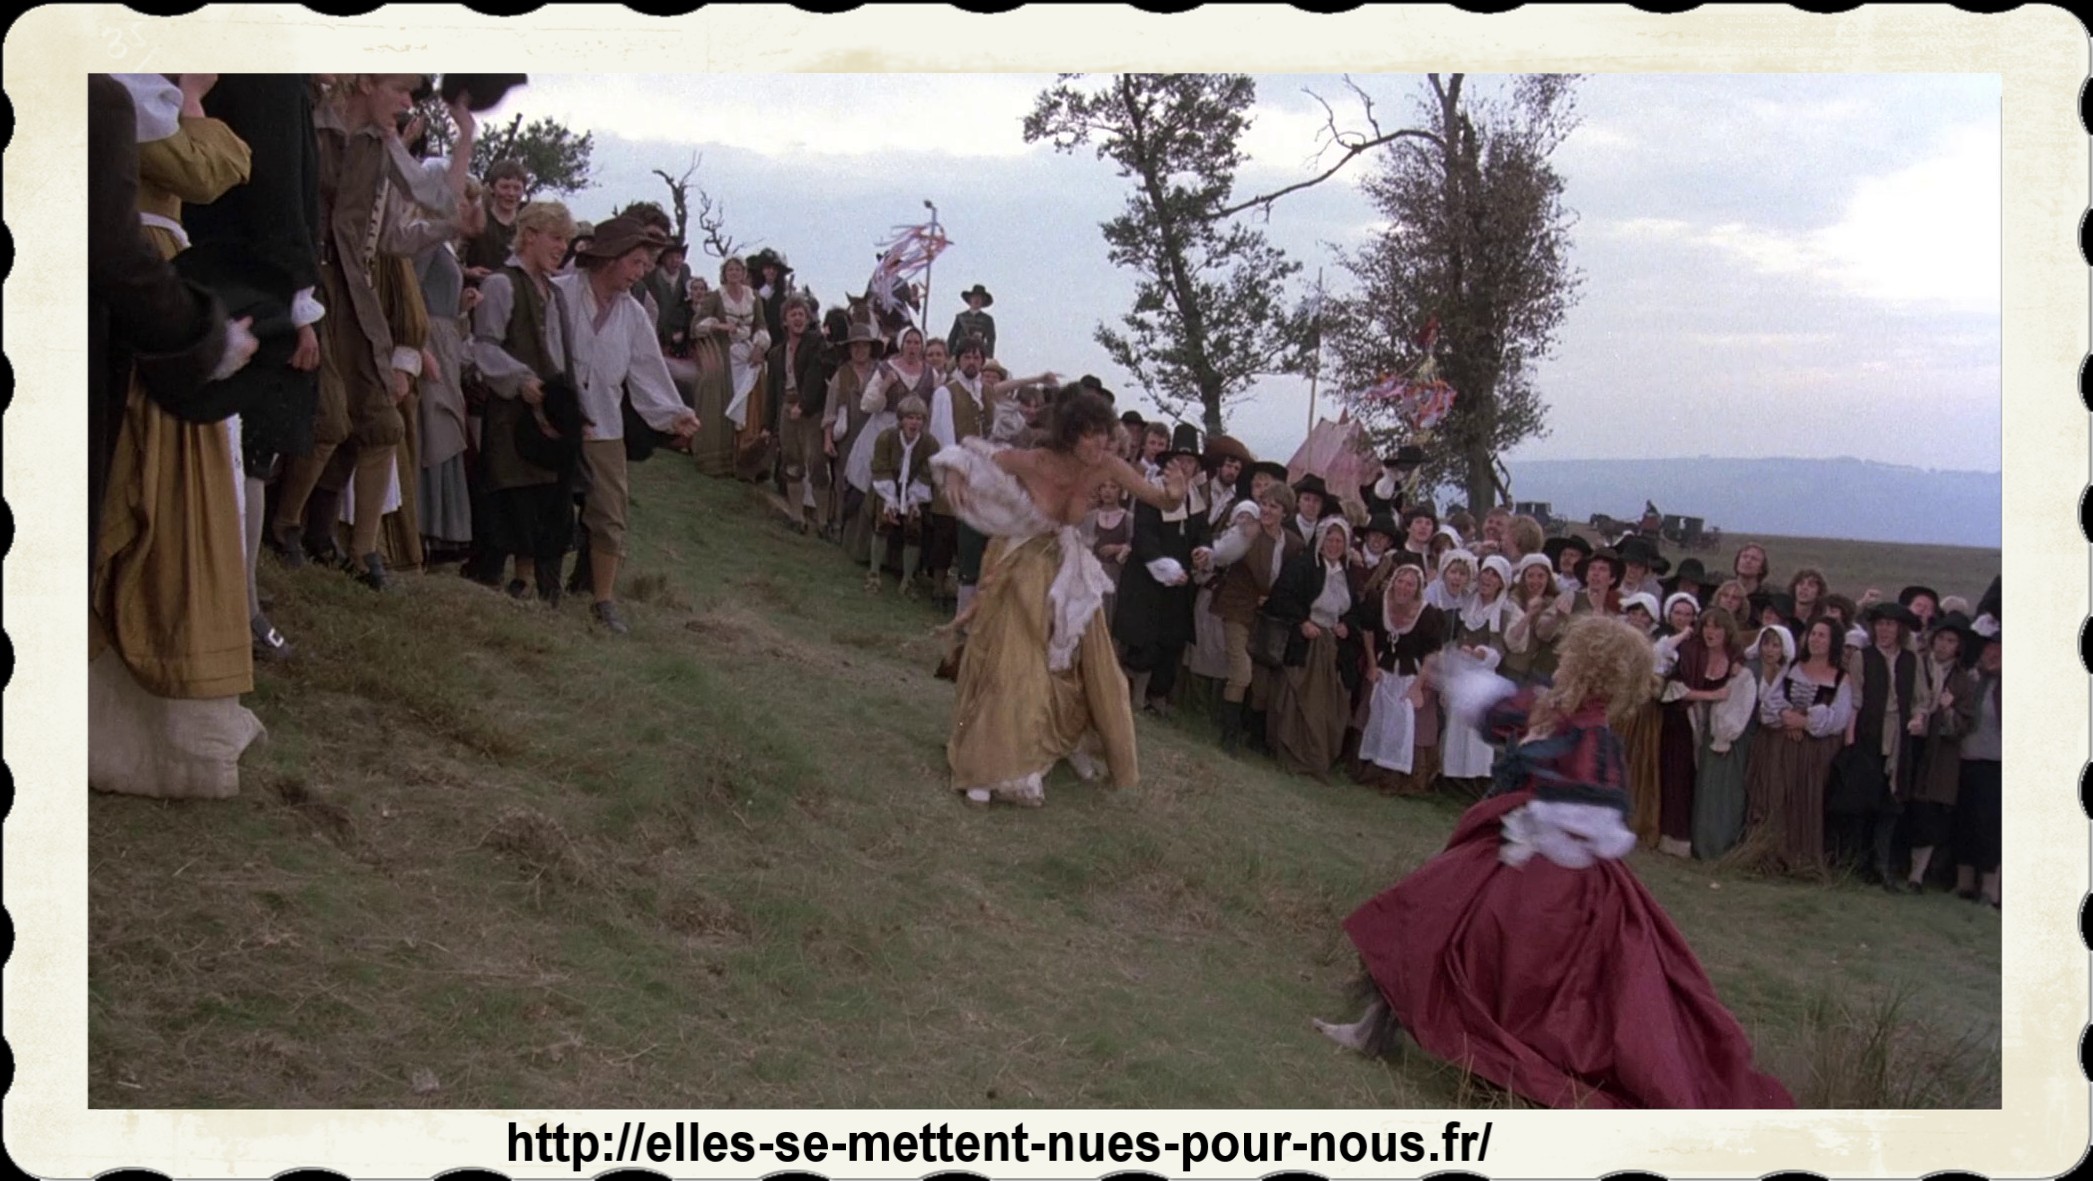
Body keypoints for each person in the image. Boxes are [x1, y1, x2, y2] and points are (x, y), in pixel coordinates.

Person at [1318, 615, 1795, 1110]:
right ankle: (1375, 1031)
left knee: (1461, 936)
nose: (1563, 659)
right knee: (1426, 914)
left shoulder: (1591, 733)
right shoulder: (1553, 706)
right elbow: (1500, 713)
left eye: (1572, 654)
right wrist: (1455, 675)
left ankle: (1472, 1061)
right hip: (1509, 848)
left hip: (1551, 870)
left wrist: (1538, 821)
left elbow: (1593, 812)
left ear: (1589, 666)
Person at [930, 388, 1187, 807]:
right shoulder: (1034, 460)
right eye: (1091, 434)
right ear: (1070, 434)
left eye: (1104, 433)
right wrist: (957, 473)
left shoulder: (1107, 466)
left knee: (1090, 668)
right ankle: (992, 764)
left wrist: (1174, 493)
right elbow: (969, 453)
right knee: (1015, 665)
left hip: (1066, 569)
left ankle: (1065, 742)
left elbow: (1156, 497)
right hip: (1019, 564)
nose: (1100, 443)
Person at [270, 73, 458, 591]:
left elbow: (394, 233)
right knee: (328, 416)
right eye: (400, 89)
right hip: (304, 283)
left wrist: (450, 224)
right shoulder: (310, 123)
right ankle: (285, 525)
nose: (406, 103)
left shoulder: (382, 148)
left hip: (356, 292)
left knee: (382, 422)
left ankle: (362, 550)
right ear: (368, 82)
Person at [550, 215, 703, 632]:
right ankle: (532, 584)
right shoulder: (561, 294)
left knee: (609, 513)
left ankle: (602, 600)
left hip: (604, 424)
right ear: (611, 258)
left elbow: (647, 370)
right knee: (545, 502)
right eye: (635, 262)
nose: (641, 272)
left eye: (645, 264)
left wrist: (674, 414)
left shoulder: (633, 314)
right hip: (554, 420)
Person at [467, 200, 580, 604]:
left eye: (565, 241)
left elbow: (561, 354)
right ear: (529, 235)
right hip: (513, 413)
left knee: (548, 496)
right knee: (513, 493)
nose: (562, 248)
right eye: (555, 238)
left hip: (548, 414)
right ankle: (501, 578)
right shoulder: (502, 283)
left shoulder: (554, 292)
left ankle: (535, 581)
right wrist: (518, 379)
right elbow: (484, 345)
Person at [1261, 516, 1369, 780]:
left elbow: (1355, 612)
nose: (1334, 545)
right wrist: (1302, 621)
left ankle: (1319, 758)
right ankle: (1297, 755)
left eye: (1339, 541)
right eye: (1329, 540)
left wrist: (1346, 626)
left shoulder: (1347, 575)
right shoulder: (1303, 566)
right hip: (1307, 646)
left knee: (1330, 706)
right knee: (1303, 702)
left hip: (1332, 648)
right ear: (1320, 541)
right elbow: (1281, 597)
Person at [1746, 616, 1853, 876]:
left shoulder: (1841, 677)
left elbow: (1838, 717)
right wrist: (1786, 716)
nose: (1815, 639)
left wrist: (1805, 721)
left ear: (1834, 642)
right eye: (1813, 633)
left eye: (1822, 635)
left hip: (1814, 753)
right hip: (1781, 747)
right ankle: (1769, 855)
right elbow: (1771, 700)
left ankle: (1799, 860)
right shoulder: (1793, 667)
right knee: (1775, 797)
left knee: (1805, 802)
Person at [1112, 436, 1205, 717]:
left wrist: (1203, 551)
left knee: (1170, 640)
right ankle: (1130, 691)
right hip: (1147, 576)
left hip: (1178, 585)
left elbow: (1202, 534)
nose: (1185, 467)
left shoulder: (1196, 500)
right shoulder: (1151, 491)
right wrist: (1166, 567)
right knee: (1142, 637)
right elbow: (1144, 536)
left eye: (1190, 462)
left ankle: (1157, 695)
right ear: (1169, 465)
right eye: (1180, 461)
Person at [1207, 482, 1303, 754]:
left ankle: (1244, 732)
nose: (1267, 510)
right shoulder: (1248, 532)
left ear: (1285, 512)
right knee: (1241, 673)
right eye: (1264, 504)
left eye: (1274, 506)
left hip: (1264, 617)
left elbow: (1290, 581)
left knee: (1256, 679)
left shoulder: (1293, 543)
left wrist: (1272, 599)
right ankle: (1228, 736)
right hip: (1237, 609)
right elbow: (1221, 555)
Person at [1834, 601, 1921, 888]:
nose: (1884, 630)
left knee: (1891, 804)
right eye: (1880, 624)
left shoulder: (1911, 660)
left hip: (1898, 737)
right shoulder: (1864, 657)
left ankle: (1881, 864)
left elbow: (1920, 699)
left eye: (1890, 624)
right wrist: (1850, 738)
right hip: (1868, 734)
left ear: (1900, 629)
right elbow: (1855, 699)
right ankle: (1855, 863)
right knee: (1862, 800)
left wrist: (1918, 717)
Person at [1353, 562, 1445, 795]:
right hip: (1383, 670)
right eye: (1400, 582)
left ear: (1418, 589)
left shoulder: (1427, 614)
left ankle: (1397, 779)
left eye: (1410, 584)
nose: (1404, 588)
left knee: (1403, 724)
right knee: (1377, 718)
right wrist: (1372, 664)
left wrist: (1418, 686)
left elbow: (1433, 653)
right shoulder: (1379, 602)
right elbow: (1368, 631)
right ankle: (1370, 771)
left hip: (1411, 675)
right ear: (1393, 582)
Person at [1903, 613, 1978, 893]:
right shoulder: (1916, 664)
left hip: (1939, 755)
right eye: (1942, 638)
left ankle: (1917, 875)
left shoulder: (1963, 681)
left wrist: (1948, 710)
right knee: (1901, 804)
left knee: (1928, 813)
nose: (1944, 645)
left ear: (1958, 647)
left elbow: (1964, 726)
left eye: (1951, 641)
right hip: (1909, 742)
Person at [1673, 607, 1757, 860]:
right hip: (1689, 724)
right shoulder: (1691, 655)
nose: (1710, 632)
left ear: (1727, 631)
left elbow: (1741, 696)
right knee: (1692, 785)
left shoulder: (1736, 662)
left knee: (1718, 789)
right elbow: (1674, 689)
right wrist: (1710, 695)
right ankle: (1690, 842)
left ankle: (1717, 847)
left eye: (1717, 627)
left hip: (1721, 732)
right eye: (1706, 626)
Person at [1439, 554, 1515, 794]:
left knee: (1476, 732)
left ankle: (1476, 782)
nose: (1488, 579)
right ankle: (1452, 779)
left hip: (1485, 677)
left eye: (1494, 575)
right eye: (1486, 572)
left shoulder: (1504, 611)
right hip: (1462, 671)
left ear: (1501, 582)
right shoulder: (1466, 603)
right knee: (1456, 726)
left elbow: (1501, 646)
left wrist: (1484, 653)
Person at [765, 294, 833, 536]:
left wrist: (803, 406)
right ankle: (797, 517)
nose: (797, 319)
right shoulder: (776, 353)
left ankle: (823, 522)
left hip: (811, 411)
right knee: (791, 463)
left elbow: (815, 376)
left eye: (801, 315)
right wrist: (767, 425)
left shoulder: (816, 343)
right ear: (785, 321)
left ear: (808, 319)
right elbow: (772, 391)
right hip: (787, 407)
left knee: (817, 464)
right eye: (792, 314)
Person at [864, 396, 940, 596]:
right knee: (882, 523)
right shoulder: (886, 438)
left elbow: (927, 473)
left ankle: (908, 580)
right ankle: (874, 574)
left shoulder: (930, 444)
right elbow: (880, 468)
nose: (914, 423)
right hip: (886, 486)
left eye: (919, 418)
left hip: (914, 491)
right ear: (901, 419)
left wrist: (915, 500)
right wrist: (890, 499)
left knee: (914, 529)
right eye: (910, 417)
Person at [821, 321, 885, 545]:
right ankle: (839, 527)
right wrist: (828, 439)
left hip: (873, 436)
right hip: (847, 437)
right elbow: (830, 410)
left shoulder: (881, 372)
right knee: (842, 484)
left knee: (869, 485)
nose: (860, 350)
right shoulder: (841, 375)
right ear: (849, 349)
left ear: (871, 348)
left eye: (864, 345)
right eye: (855, 346)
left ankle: (864, 535)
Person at [1952, 629, 2001, 908]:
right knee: (1965, 820)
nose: (1993, 654)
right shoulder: (1973, 679)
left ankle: (1990, 889)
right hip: (1967, 757)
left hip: (1996, 763)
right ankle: (1964, 884)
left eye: (1999, 650)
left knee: (1989, 825)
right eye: (1989, 648)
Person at [463, 158, 528, 276]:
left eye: (517, 188)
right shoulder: (478, 220)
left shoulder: (528, 225)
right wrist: (468, 272)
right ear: (492, 188)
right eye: (505, 187)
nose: (511, 193)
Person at [947, 283, 997, 359]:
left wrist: (988, 357)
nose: (976, 300)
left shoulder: (987, 319)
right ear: (970, 299)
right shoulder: (961, 317)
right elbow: (952, 337)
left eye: (979, 298)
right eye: (974, 297)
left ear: (982, 301)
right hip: (960, 352)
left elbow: (991, 340)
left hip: (978, 353)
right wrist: (948, 354)